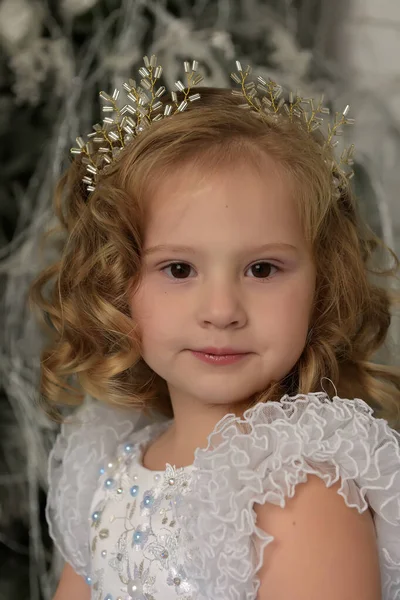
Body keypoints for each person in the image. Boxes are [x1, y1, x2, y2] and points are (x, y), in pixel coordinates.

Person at [29, 57, 400, 600]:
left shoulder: (301, 495)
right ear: (117, 284)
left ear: (323, 283)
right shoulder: (106, 467)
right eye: (179, 269)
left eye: (262, 269)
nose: (222, 310)